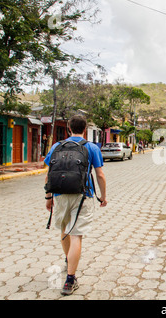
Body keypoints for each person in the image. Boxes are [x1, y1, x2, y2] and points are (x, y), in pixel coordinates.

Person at [44, 115, 107, 296]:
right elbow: (100, 175)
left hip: (60, 194)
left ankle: (68, 259)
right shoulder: (91, 147)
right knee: (76, 236)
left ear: (69, 129)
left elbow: (48, 173)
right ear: (85, 129)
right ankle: (70, 280)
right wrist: (103, 197)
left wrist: (48, 197)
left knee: (64, 231)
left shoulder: (57, 146)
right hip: (82, 195)